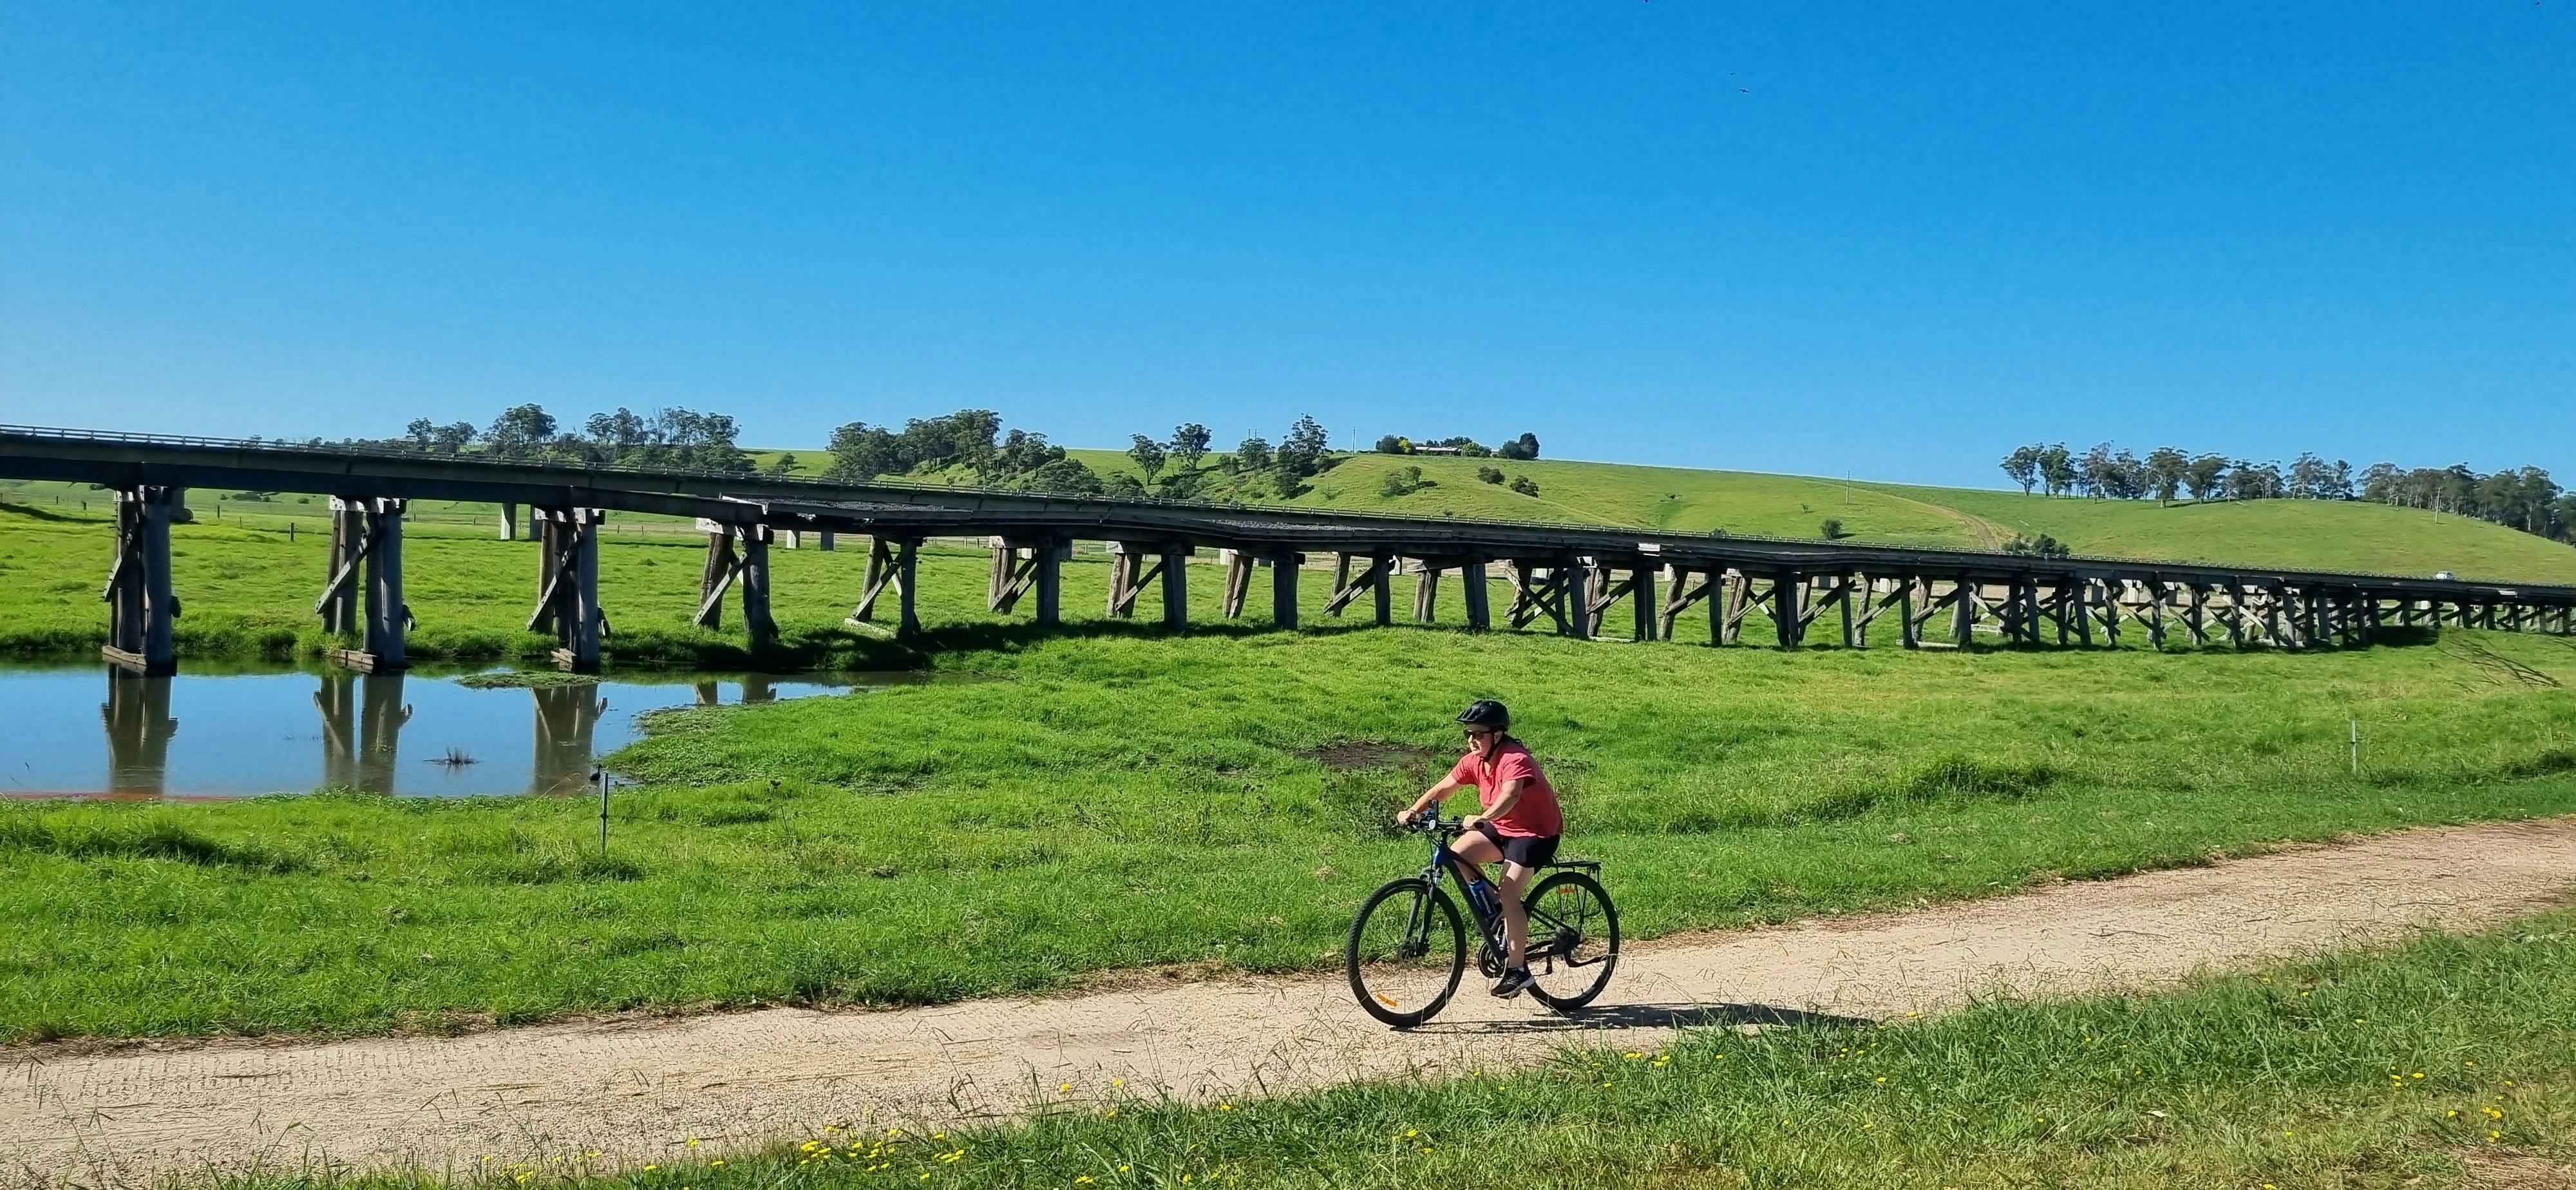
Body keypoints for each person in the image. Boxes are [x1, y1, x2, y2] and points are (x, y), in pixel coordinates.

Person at [1396, 698, 1564, 998]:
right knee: (1458, 855)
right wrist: (1413, 811)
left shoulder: (1515, 758)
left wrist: (1484, 818)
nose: (1472, 740)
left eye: (1479, 734)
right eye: (1469, 734)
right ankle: (1497, 912)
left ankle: (1518, 971)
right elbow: (1443, 788)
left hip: (1535, 834)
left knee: (1510, 894)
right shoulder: (1474, 761)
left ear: (1497, 735)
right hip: (1502, 828)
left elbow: (1511, 795)